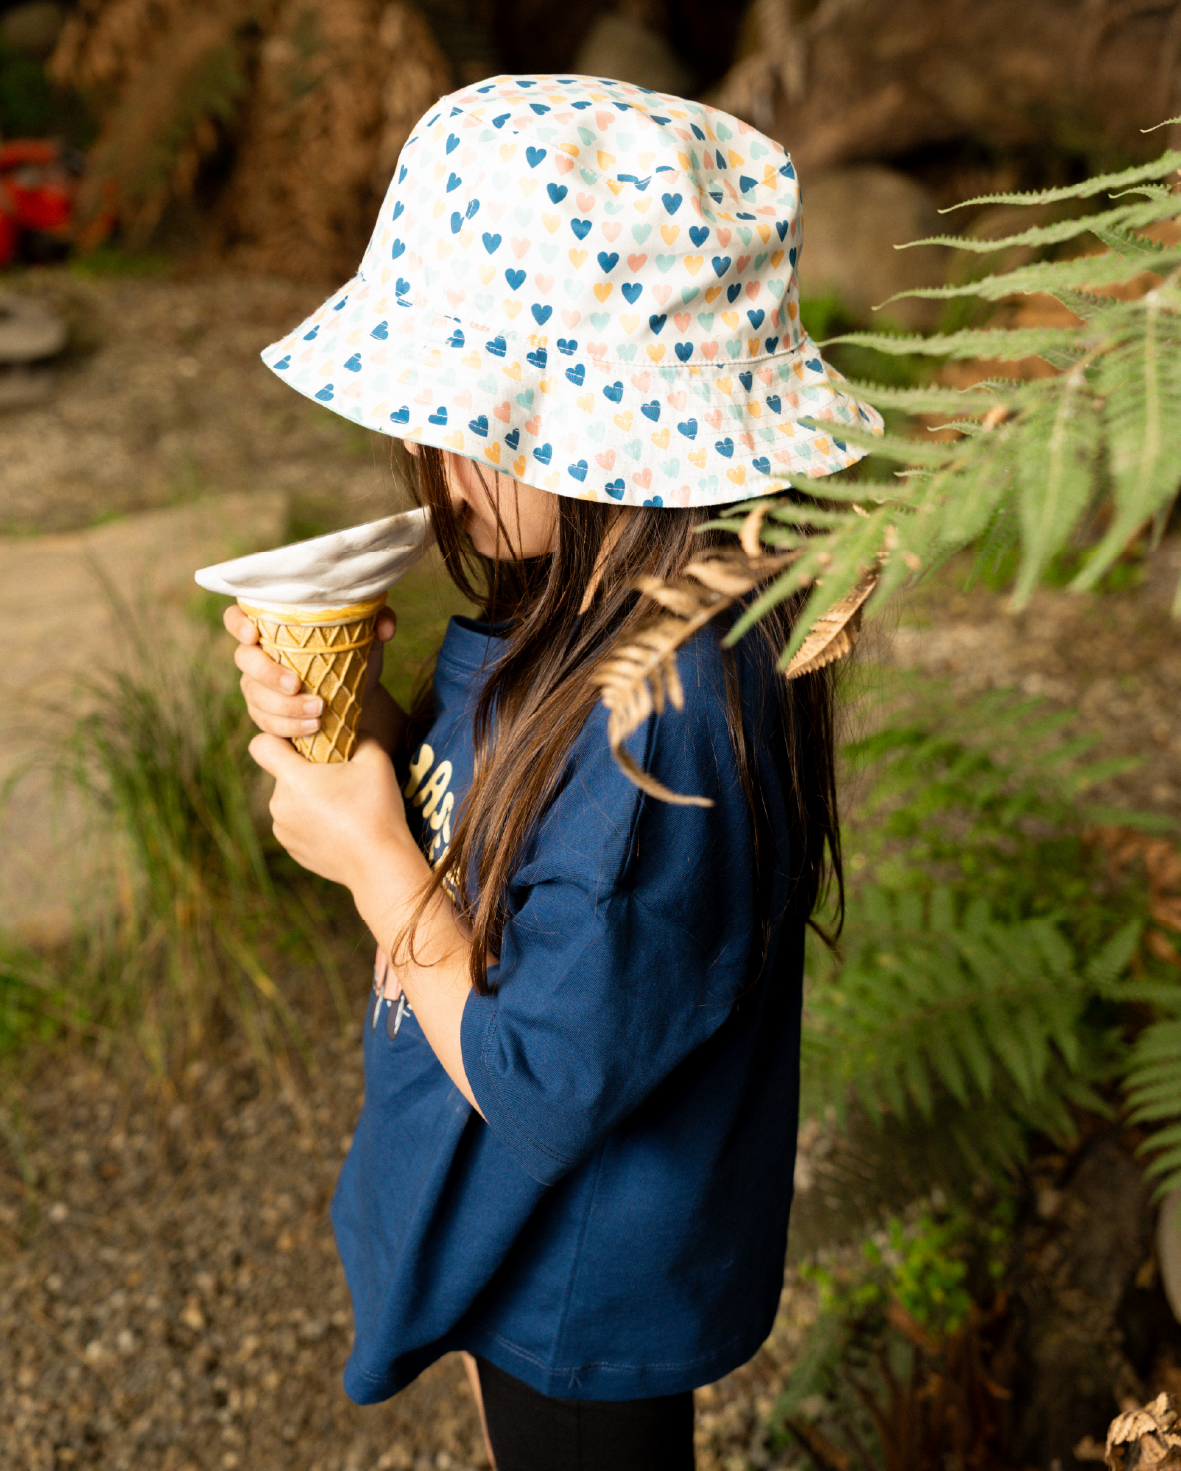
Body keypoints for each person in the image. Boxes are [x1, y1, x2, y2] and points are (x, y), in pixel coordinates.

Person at [226, 73, 882, 1471]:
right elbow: (510, 842)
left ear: (605, 437)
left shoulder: (677, 726)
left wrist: (376, 865)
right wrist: (361, 747)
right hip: (511, 1228)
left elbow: (545, 1083)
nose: (428, 452)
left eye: (462, 409)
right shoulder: (573, 596)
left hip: (581, 1272)